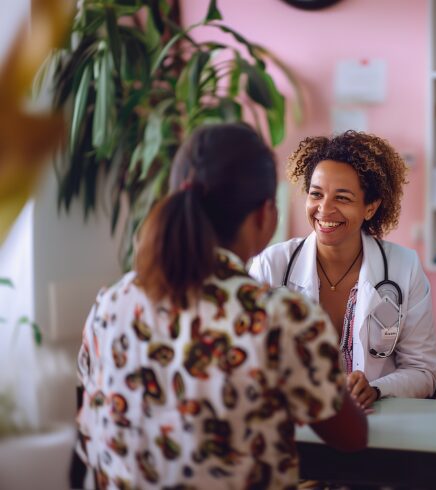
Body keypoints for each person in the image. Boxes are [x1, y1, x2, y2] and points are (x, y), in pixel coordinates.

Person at [76, 123, 367, 489]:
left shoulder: (110, 305)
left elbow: (90, 419)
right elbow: (352, 438)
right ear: (265, 215)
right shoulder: (280, 318)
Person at [249, 130, 436, 408]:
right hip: (296, 422)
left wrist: (375, 388)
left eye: (342, 198)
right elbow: (249, 363)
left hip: (380, 426)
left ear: (370, 208)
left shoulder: (404, 268)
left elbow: (424, 372)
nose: (324, 209)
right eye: (316, 194)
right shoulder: (270, 265)